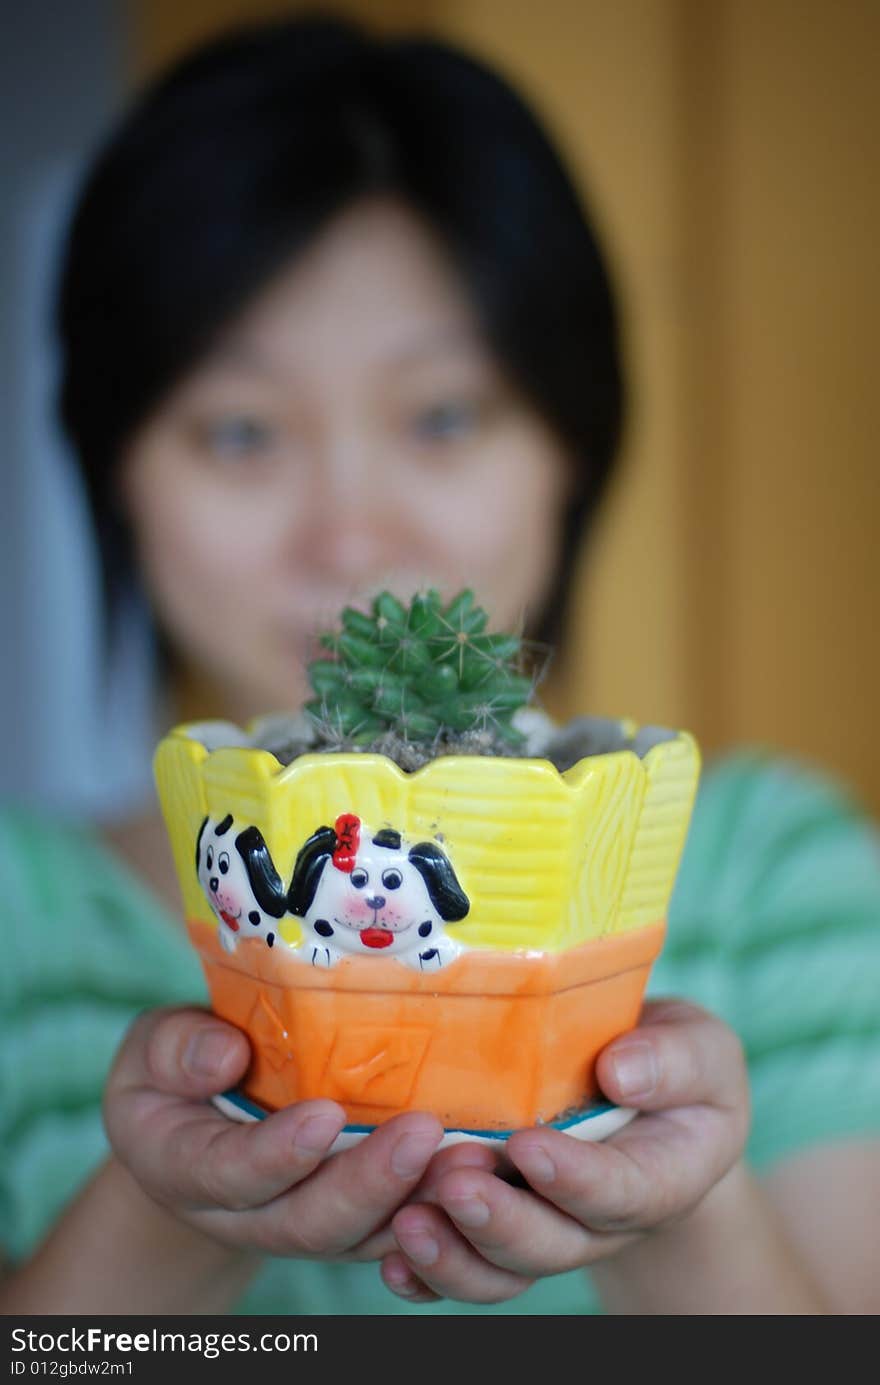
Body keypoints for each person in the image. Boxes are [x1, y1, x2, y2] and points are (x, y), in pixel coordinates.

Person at [1, 15, 878, 1316]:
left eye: (443, 416)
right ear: (114, 471)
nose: (351, 534)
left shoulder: (780, 882)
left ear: (571, 445)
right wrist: (161, 1211)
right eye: (240, 432)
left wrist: (673, 1211)